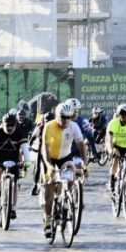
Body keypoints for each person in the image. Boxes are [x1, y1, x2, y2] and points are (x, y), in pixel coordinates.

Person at [41, 100, 87, 239]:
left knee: (70, 177)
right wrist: (49, 166)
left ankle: (68, 199)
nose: (66, 120)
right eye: (63, 117)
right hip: (50, 159)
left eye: (69, 117)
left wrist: (84, 164)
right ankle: (48, 220)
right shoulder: (49, 126)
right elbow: (45, 149)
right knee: (49, 190)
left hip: (65, 158)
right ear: (57, 116)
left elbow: (81, 146)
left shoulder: (74, 126)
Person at [0, 112, 30, 220]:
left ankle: (13, 208)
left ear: (15, 125)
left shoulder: (20, 133)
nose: (10, 127)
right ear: (3, 124)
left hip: (14, 159)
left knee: (14, 184)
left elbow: (25, 149)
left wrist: (27, 162)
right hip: (0, 158)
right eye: (7, 125)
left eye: (12, 125)